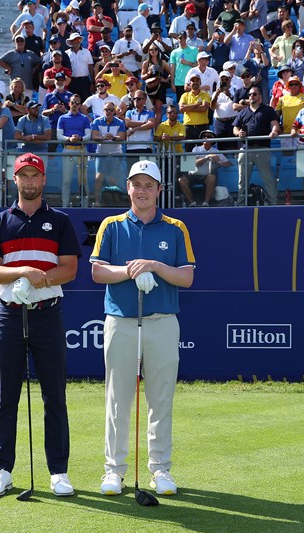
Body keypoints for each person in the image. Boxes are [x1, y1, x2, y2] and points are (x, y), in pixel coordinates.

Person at [0, 152, 80, 498]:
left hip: (47, 314)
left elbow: (69, 268)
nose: (30, 182)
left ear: (42, 180)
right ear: (15, 179)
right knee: (6, 396)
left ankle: (58, 472)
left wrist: (40, 279)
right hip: (9, 314)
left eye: (35, 176)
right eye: (25, 176)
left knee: (55, 395)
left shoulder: (61, 221)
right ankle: (2, 470)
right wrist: (22, 272)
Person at [91, 159, 195, 497]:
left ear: (159, 190)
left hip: (162, 322)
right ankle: (114, 471)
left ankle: (161, 469)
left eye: (149, 185)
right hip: (120, 321)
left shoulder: (176, 227)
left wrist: (154, 266)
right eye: (137, 184)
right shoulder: (111, 225)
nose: (142, 190)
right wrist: (132, 270)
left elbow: (187, 277)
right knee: (118, 399)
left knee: (160, 399)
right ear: (128, 188)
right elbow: (98, 273)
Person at [232, 85, 280, 204]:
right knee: (242, 180)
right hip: (245, 148)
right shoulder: (243, 112)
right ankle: (241, 202)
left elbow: (275, 124)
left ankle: (273, 204)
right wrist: (239, 133)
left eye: (254, 94)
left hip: (262, 149)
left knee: (268, 179)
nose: (251, 96)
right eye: (249, 95)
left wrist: (274, 131)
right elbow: (235, 128)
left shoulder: (268, 110)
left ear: (260, 97)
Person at [178, 129, 232, 206]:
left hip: (207, 176)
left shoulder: (216, 151)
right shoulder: (196, 149)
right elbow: (196, 163)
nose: (206, 138)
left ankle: (206, 202)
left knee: (212, 177)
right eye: (204, 136)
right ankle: (191, 202)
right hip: (194, 175)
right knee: (181, 180)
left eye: (209, 136)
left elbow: (229, 163)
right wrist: (207, 157)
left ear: (213, 139)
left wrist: (219, 161)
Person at [57, 94, 92, 206]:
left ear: (80, 105)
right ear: (69, 104)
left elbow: (88, 135)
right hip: (68, 150)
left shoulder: (84, 118)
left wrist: (80, 138)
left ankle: (85, 206)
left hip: (81, 150)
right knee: (66, 180)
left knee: (83, 181)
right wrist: (69, 139)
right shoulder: (62, 118)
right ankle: (65, 206)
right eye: (73, 102)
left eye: (77, 103)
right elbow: (59, 136)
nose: (75, 105)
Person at [91, 102, 127, 206]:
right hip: (101, 154)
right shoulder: (97, 121)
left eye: (111, 110)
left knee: (113, 180)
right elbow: (94, 136)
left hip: (115, 154)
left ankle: (114, 202)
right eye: (107, 110)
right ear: (103, 111)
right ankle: (97, 201)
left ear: (114, 111)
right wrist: (103, 138)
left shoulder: (120, 122)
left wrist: (113, 138)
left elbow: (122, 137)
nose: (109, 112)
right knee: (99, 178)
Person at [179, 75, 212, 140]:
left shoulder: (205, 94)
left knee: (202, 149)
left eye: (197, 80)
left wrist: (188, 108)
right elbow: (182, 109)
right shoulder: (185, 95)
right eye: (193, 81)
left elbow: (204, 108)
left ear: (200, 83)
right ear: (190, 83)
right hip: (188, 127)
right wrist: (196, 104)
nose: (195, 82)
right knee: (189, 149)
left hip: (202, 126)